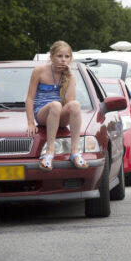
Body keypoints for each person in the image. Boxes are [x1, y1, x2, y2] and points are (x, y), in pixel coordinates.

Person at [25, 40, 86, 171]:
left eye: (67, 57)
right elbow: (30, 98)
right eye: (59, 56)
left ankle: (75, 152)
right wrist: (30, 123)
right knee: (55, 105)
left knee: (75, 104)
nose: (63, 60)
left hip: (59, 116)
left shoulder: (71, 76)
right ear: (51, 57)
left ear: (70, 59)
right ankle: (49, 152)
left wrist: (70, 77)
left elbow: (70, 102)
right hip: (42, 113)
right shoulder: (39, 71)